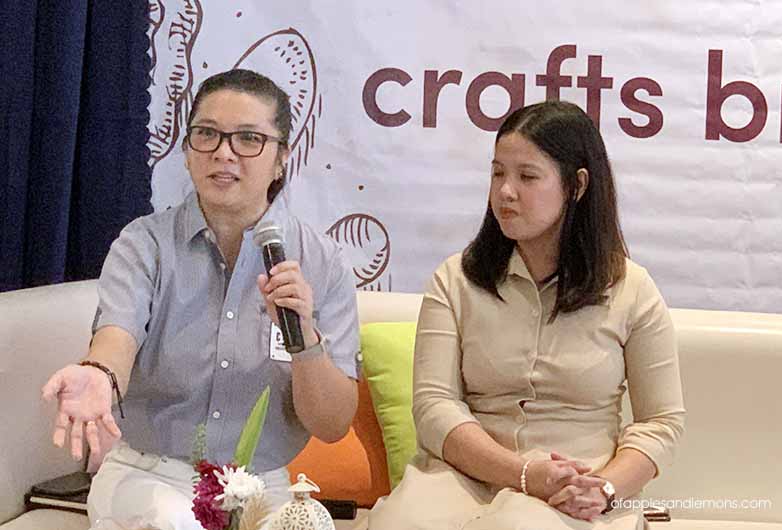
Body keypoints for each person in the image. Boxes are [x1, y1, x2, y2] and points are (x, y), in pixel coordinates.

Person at [41, 69, 360, 530]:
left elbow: (332, 425)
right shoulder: (145, 244)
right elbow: (117, 335)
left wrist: (304, 338)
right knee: (175, 523)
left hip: (258, 483)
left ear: (281, 159)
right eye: (207, 134)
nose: (223, 152)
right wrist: (100, 374)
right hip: (150, 475)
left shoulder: (321, 261)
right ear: (188, 151)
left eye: (248, 138)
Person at [369, 101, 686, 530]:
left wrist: (605, 489)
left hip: (575, 485)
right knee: (401, 523)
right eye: (498, 173)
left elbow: (660, 422)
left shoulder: (632, 289)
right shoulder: (455, 280)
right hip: (463, 476)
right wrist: (521, 474)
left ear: (577, 185)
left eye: (527, 176)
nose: (505, 192)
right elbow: (434, 407)